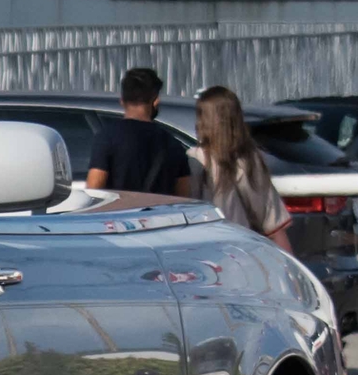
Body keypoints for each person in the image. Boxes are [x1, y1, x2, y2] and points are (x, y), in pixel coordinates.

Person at [191, 85, 292, 253]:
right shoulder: (250, 160)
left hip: (205, 255)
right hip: (244, 256)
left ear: (203, 121)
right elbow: (274, 227)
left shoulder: (193, 161)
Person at [84, 67, 190, 197]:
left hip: (120, 215)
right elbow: (184, 197)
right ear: (155, 101)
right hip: (160, 215)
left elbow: (94, 191)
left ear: (122, 101)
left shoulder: (106, 138)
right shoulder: (172, 144)